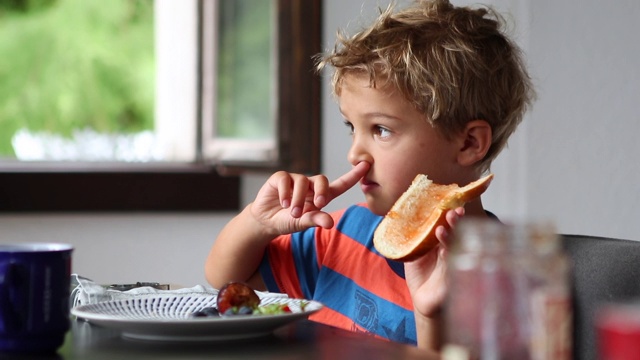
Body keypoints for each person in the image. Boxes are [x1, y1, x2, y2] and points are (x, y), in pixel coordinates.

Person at [205, 0, 534, 351]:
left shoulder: (504, 280)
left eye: (381, 130)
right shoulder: (339, 236)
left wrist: (429, 317)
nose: (354, 153)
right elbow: (226, 283)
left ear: (469, 143)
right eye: (352, 127)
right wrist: (258, 222)